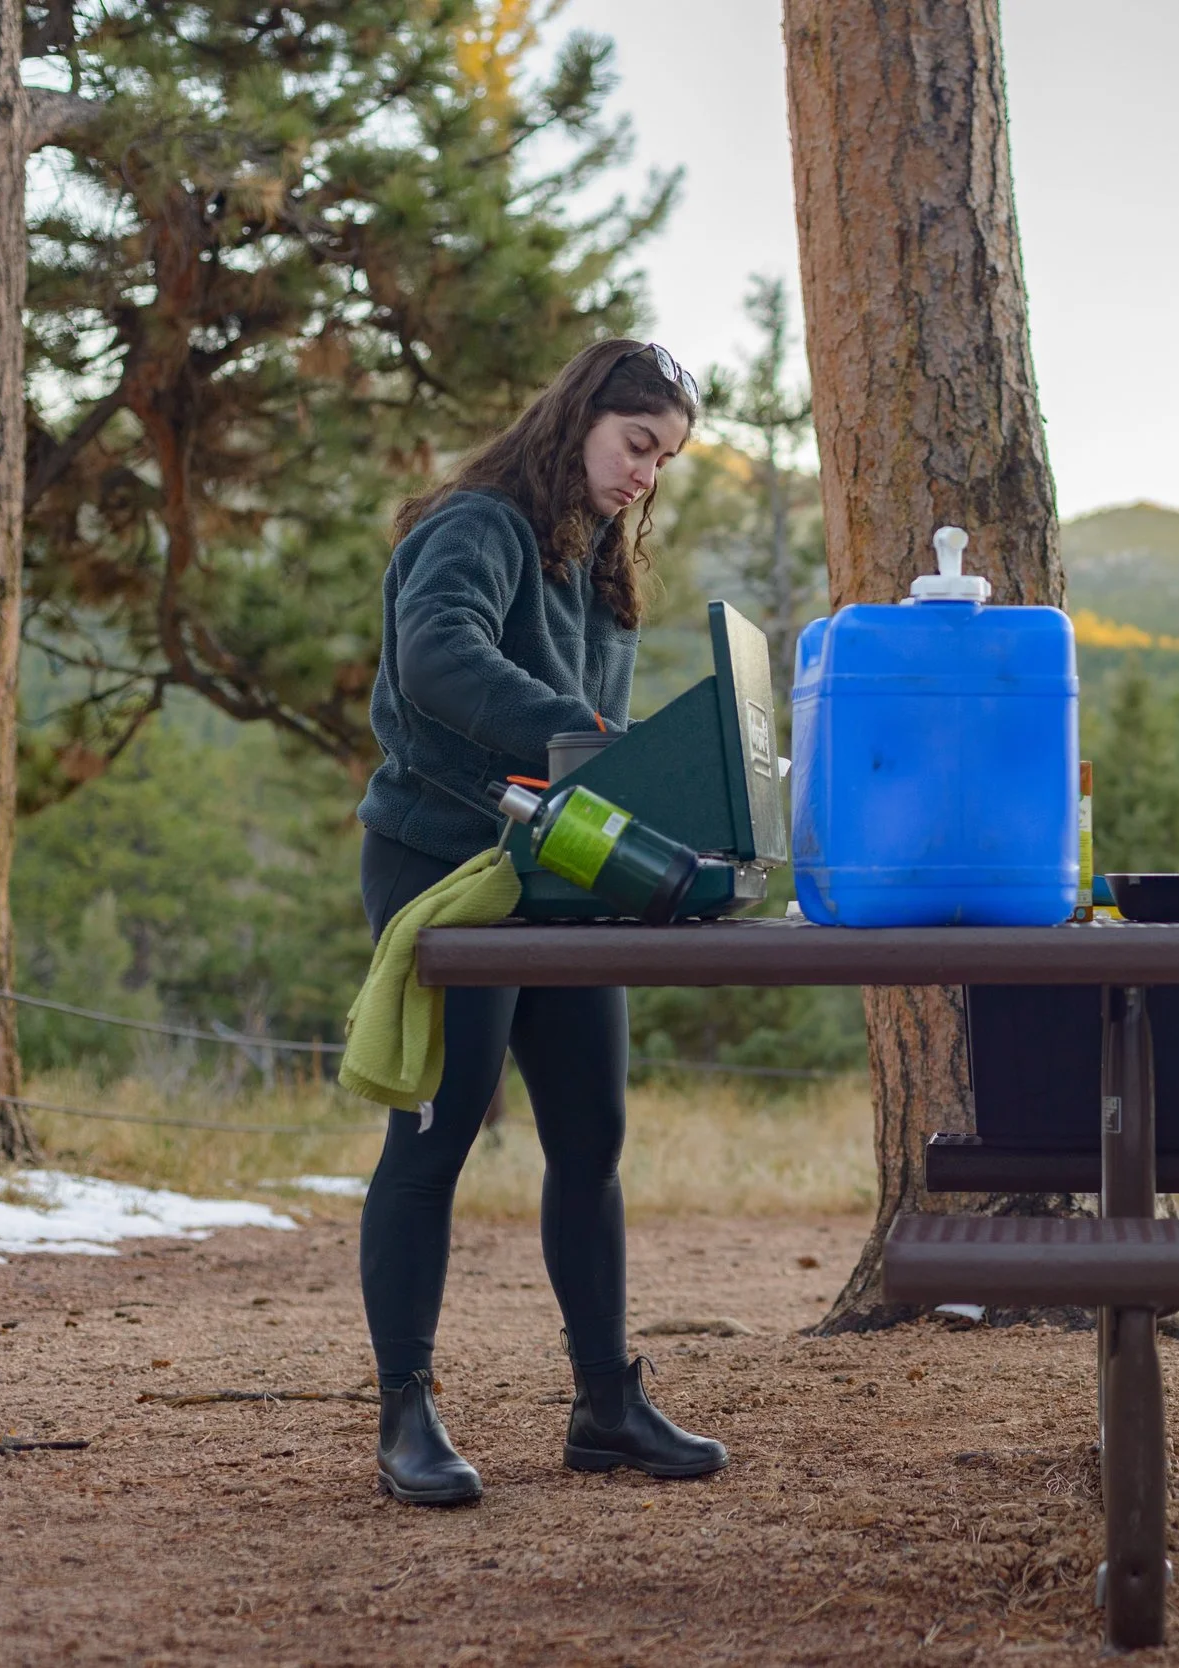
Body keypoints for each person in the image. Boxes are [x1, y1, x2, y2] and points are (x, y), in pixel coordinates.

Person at [352, 340, 729, 1505]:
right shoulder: (476, 528)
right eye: (635, 446)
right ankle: (405, 1414)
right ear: (576, 420)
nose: (645, 478)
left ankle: (605, 1407)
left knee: (591, 1141)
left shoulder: (594, 558)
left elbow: (589, 757)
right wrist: (579, 730)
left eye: (663, 459)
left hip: (560, 877)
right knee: (437, 1138)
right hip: (443, 871)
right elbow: (437, 658)